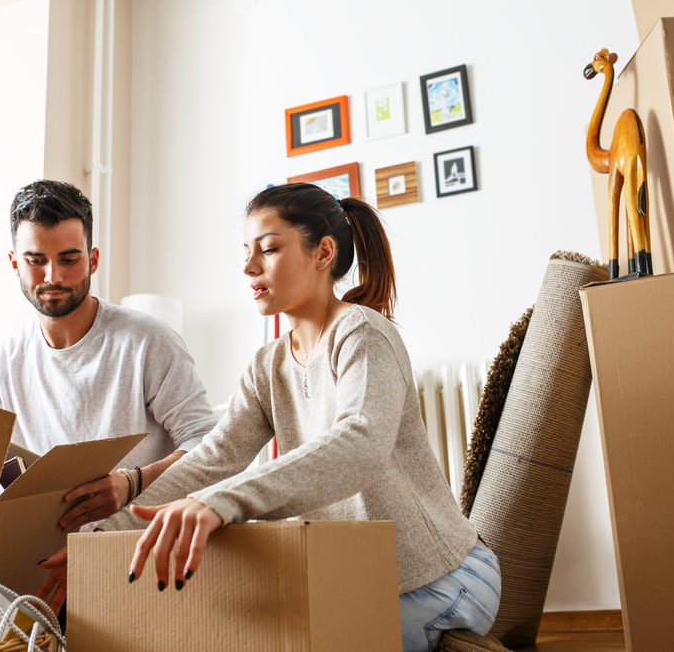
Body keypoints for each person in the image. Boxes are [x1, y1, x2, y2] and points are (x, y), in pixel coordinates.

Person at [84, 182, 501, 651]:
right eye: (246, 252)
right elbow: (212, 460)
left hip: (444, 579)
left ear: (323, 253)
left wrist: (220, 503)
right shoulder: (268, 366)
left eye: (269, 249)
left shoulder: (361, 332)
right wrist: (97, 544)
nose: (249, 267)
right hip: (357, 582)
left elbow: (360, 444)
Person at [0, 180, 218, 538]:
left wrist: (133, 483)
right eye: (36, 261)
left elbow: (210, 446)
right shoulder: (4, 364)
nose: (53, 276)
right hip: (44, 559)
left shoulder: (147, 341)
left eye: (69, 259)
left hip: (138, 549)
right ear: (15, 264)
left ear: (92, 260)